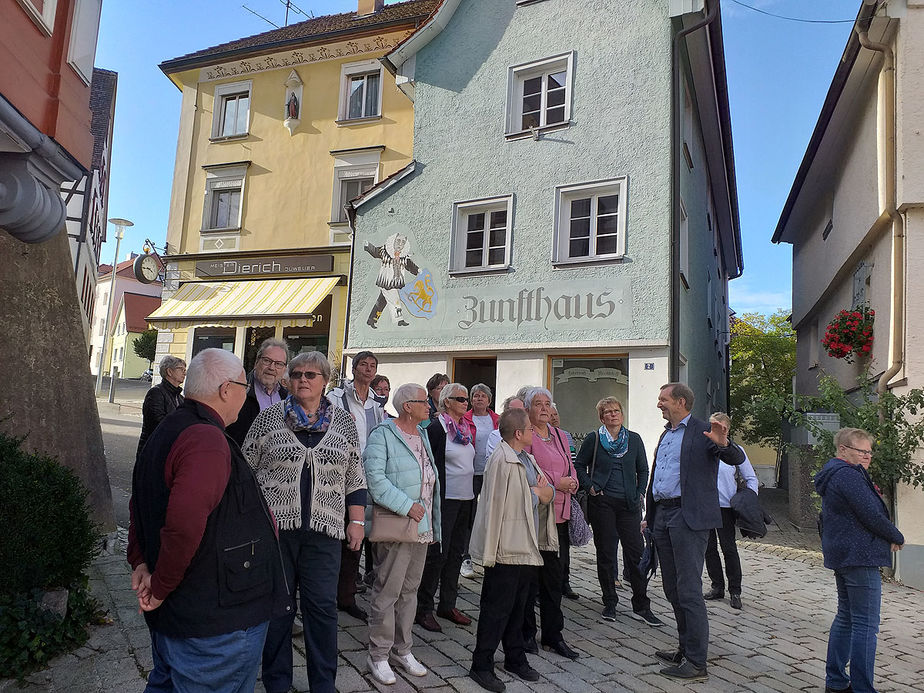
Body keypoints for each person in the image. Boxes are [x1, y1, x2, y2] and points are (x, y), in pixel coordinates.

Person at [127, 348, 284, 692]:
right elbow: (183, 524)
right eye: (245, 385)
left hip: (193, 614)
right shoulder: (205, 439)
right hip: (214, 621)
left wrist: (139, 558)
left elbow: (140, 498)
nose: (247, 394)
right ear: (227, 389)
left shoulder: (173, 427)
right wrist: (161, 585)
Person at [243, 351, 366, 693]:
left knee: (322, 610)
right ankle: (276, 682)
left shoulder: (343, 423)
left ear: (325, 380)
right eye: (296, 374)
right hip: (276, 534)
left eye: (311, 374)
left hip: (325, 535)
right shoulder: (268, 420)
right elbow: (245, 472)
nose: (302, 380)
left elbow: (355, 476)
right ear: (288, 379)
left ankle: (323, 684)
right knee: (279, 610)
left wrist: (356, 521)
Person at [643, 383, 744, 681]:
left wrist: (724, 443)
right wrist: (650, 515)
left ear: (681, 402)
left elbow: (734, 458)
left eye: (663, 399)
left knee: (688, 590)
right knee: (672, 588)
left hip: (688, 518)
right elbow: (659, 474)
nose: (659, 404)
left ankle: (697, 662)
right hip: (663, 515)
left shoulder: (703, 430)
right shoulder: (667, 433)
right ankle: (685, 648)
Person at [468, 408, 556, 693]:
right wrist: (536, 493)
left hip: (526, 543)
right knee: (496, 608)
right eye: (530, 428)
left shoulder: (526, 457)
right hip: (506, 545)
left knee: (520, 606)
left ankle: (514, 657)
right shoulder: (502, 460)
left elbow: (548, 491)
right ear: (518, 434)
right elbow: (496, 505)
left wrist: (541, 492)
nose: (534, 432)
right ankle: (481, 664)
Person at [362, 384, 441, 685]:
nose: (429, 407)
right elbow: (375, 479)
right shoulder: (382, 434)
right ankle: (378, 654)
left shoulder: (421, 434)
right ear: (408, 406)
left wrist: (429, 520)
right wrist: (407, 506)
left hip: (420, 527)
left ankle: (402, 649)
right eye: (424, 402)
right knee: (388, 590)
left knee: (410, 591)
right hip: (397, 523)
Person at [815, 428, 904, 693]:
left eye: (869, 451)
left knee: (846, 618)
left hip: (844, 555)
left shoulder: (835, 473)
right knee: (866, 624)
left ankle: (836, 682)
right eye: (861, 451)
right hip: (859, 556)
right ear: (843, 449)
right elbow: (871, 515)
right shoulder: (847, 475)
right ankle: (862, 688)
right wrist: (896, 535)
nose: (867, 456)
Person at [575, 397, 663, 627]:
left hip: (629, 505)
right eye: (608, 412)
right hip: (602, 504)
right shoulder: (594, 439)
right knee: (606, 554)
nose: (613, 415)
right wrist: (590, 486)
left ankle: (641, 605)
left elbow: (643, 469)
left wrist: (640, 493)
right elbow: (578, 465)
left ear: (622, 414)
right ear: (601, 417)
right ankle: (610, 602)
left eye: (616, 411)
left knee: (636, 554)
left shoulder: (633, 440)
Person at [521, 387, 580, 660]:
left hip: (560, 515)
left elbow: (570, 465)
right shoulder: (525, 434)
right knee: (530, 579)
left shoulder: (559, 434)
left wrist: (574, 480)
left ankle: (553, 636)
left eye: (547, 404)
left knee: (554, 580)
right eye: (537, 404)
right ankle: (525, 635)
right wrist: (559, 483)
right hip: (535, 516)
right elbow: (526, 473)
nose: (544, 408)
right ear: (528, 409)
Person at [327, 350, 386, 622]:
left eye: (373, 366)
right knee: (333, 533)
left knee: (356, 535)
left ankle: (346, 595)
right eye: (364, 364)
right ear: (354, 368)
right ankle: (326, 592)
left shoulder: (377, 405)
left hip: (364, 477)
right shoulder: (336, 398)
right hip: (337, 474)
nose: (369, 369)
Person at [415, 383, 475, 632]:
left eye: (467, 399)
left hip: (466, 498)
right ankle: (423, 608)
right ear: (447, 401)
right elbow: (428, 463)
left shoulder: (465, 429)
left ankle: (448, 603)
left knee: (456, 554)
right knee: (438, 554)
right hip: (445, 500)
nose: (465, 403)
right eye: (460, 399)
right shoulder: (436, 428)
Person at [703, 412, 759, 610]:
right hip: (706, 505)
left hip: (726, 507)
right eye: (712, 426)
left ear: (727, 429)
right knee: (709, 549)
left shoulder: (736, 451)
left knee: (729, 549)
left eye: (720, 426)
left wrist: (747, 500)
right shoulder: (705, 448)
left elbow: (751, 478)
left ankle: (735, 590)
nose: (716, 429)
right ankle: (717, 586)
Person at [460, 383, 499, 579]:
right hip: (470, 472)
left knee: (489, 513)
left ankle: (487, 553)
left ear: (489, 400)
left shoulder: (497, 420)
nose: (479, 399)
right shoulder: (464, 419)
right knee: (470, 514)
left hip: (491, 472)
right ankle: (465, 556)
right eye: (475, 396)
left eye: (483, 396)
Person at [226, 338, 289, 446]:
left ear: (284, 369)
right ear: (256, 362)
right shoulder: (237, 391)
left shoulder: (288, 398)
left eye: (278, 364)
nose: (272, 368)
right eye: (267, 361)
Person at [136, 356, 186, 460]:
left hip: (169, 452)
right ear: (169, 371)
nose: (184, 373)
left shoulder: (180, 397)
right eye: (181, 369)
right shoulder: (156, 393)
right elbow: (157, 424)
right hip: (153, 452)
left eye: (185, 370)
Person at [484, 395, 525, 461]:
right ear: (506, 413)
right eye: (513, 411)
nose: (518, 415)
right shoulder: (496, 435)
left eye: (521, 411)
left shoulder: (528, 434)